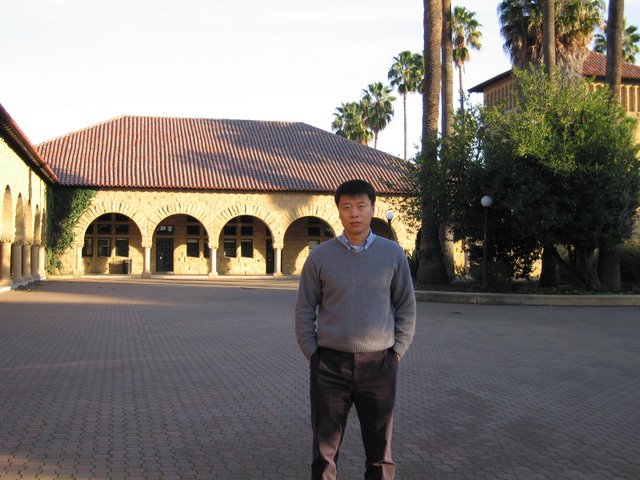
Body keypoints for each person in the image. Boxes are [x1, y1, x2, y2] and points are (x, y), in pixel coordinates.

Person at [295, 179, 416, 480]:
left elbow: (406, 305)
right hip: (329, 365)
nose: (354, 213)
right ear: (338, 211)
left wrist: (397, 352)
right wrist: (313, 354)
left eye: (361, 206)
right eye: (346, 207)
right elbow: (305, 308)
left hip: (379, 364)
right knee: (324, 450)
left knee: (380, 450)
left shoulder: (392, 254)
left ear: (373, 209)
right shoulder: (320, 257)